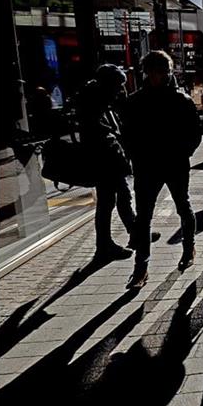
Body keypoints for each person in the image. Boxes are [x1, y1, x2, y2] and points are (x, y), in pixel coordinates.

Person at [121, 50, 201, 287]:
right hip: (147, 165)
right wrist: (135, 155)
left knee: (183, 206)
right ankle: (141, 267)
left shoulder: (181, 100)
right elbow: (127, 134)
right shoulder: (135, 101)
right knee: (143, 216)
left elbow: (194, 133)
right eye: (154, 72)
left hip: (174, 162)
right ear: (146, 73)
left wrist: (183, 152)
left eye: (162, 72)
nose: (158, 76)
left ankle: (188, 249)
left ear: (168, 72)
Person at [77, 64, 136, 262]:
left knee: (120, 197)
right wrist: (121, 159)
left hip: (108, 161)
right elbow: (105, 136)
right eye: (119, 85)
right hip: (105, 163)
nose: (120, 90)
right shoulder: (95, 103)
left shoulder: (98, 100)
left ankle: (132, 233)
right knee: (107, 203)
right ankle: (104, 246)